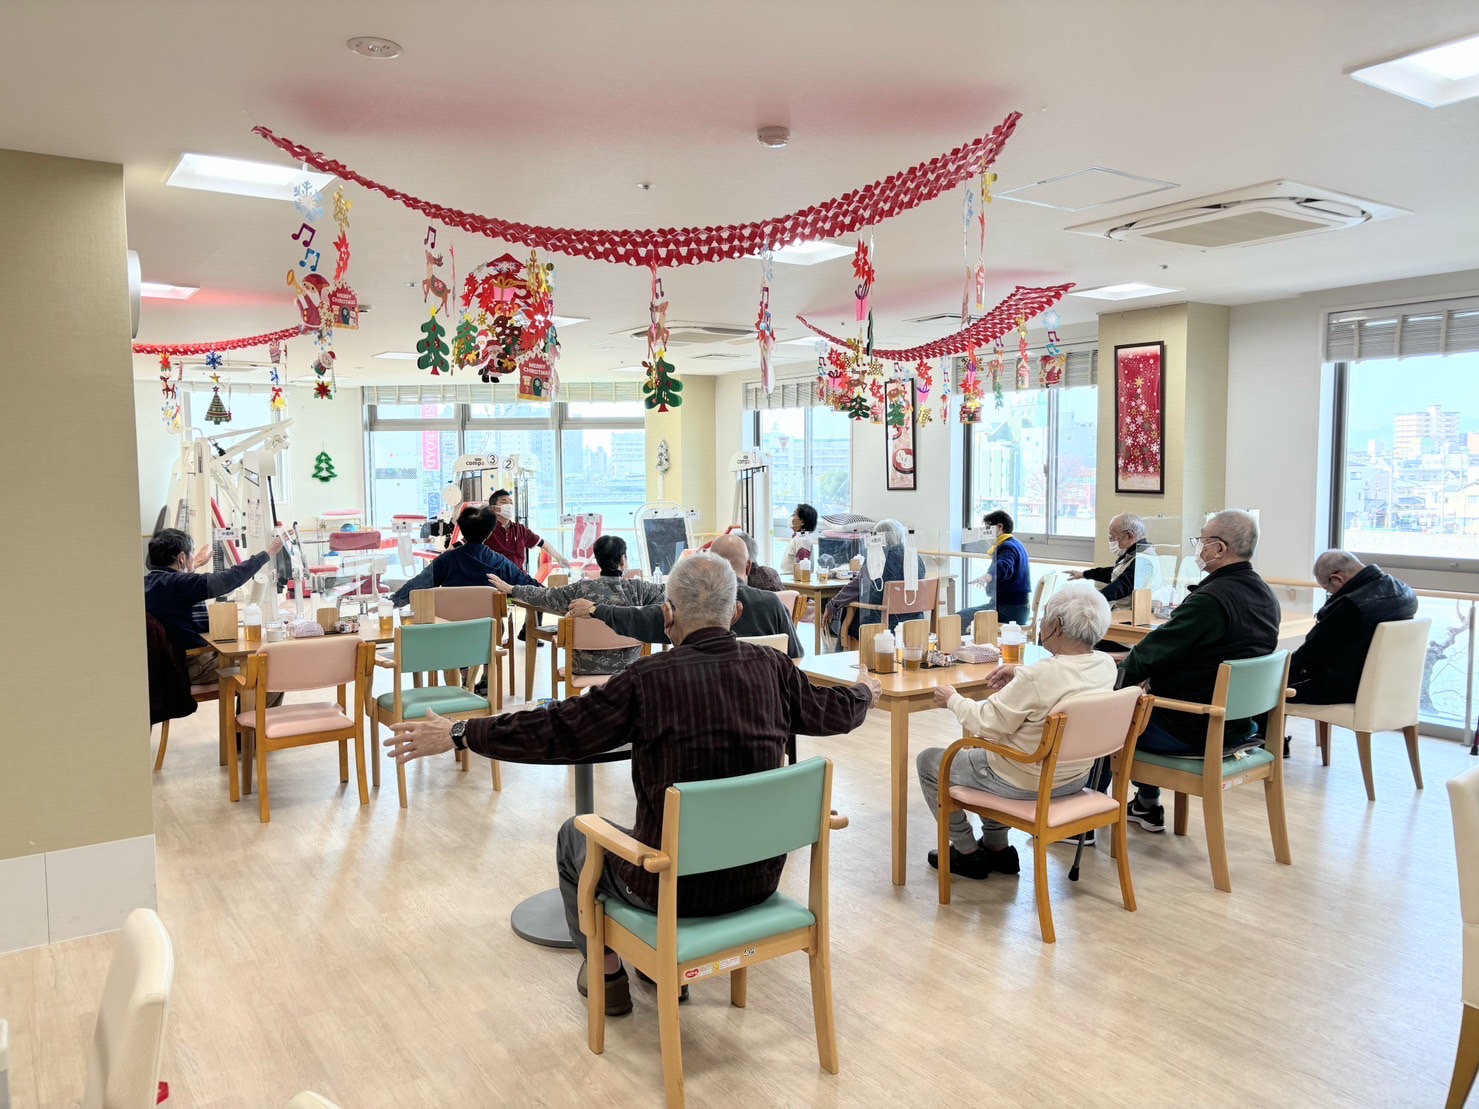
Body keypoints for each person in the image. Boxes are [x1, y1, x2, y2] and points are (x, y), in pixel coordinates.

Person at [385, 553, 880, 1015]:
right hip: (758, 881)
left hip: (670, 888)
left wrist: (461, 732)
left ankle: (608, 974)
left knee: (575, 834)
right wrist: (866, 690)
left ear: (667, 615)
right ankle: (656, 966)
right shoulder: (773, 669)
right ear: (736, 613)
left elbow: (556, 730)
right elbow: (834, 711)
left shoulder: (646, 680)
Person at [917, 585, 1118, 877]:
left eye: (1046, 616)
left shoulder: (1039, 677)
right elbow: (1060, 679)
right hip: (1074, 778)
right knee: (991, 751)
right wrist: (1022, 674)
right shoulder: (1105, 665)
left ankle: (966, 852)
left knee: (930, 761)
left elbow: (986, 721)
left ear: (1056, 625)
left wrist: (952, 699)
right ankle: (998, 849)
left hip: (1025, 780)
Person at [1118, 509, 1280, 833]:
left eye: (1202, 540)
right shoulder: (1266, 596)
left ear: (1219, 548)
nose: (1199, 548)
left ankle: (1082, 824)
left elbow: (1147, 656)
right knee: (1142, 701)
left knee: (1102, 718)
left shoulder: (1210, 601)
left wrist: (1110, 682)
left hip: (1190, 728)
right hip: (1238, 725)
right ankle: (1145, 806)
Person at [566, 534, 804, 658]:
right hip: (764, 708)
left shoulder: (691, 603)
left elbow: (636, 618)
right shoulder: (772, 604)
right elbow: (795, 656)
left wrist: (595, 609)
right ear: (749, 567)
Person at [487, 535, 667, 678]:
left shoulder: (580, 589)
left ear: (597, 560)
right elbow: (670, 593)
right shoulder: (640, 589)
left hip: (584, 667)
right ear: (623, 560)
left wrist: (512, 589)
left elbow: (543, 595)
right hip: (630, 666)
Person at [144, 527, 285, 686]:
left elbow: (177, 588)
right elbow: (229, 579)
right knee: (270, 672)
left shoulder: (148, 583)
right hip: (194, 663)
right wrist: (268, 553)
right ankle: (249, 703)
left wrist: (192, 566)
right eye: (191, 554)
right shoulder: (179, 584)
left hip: (166, 665)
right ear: (182, 558)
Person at [1289, 550, 1418, 705]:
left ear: (1337, 579)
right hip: (1389, 685)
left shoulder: (1351, 606)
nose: (1331, 595)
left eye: (1328, 590)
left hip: (1344, 687)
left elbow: (1312, 652)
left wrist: (1279, 672)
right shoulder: (1405, 591)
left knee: (1269, 689)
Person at [389, 506, 537, 607]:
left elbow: (417, 585)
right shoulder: (500, 562)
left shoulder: (446, 560)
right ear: (490, 532)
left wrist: (392, 602)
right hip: (489, 631)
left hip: (450, 627)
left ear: (462, 530)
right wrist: (549, 594)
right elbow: (530, 585)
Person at [821, 518, 924, 646]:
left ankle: (844, 655)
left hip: (882, 624)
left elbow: (855, 588)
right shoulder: (916, 559)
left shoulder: (878, 562)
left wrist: (831, 606)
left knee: (848, 614)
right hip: (914, 622)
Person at [955, 510, 1031, 630]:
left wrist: (988, 576)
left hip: (1007, 610)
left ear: (1000, 527)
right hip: (1019, 608)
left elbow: (1005, 565)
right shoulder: (1016, 544)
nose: (985, 534)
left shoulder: (1007, 547)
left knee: (958, 618)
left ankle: (969, 642)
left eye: (987, 529)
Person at [1068, 513, 1159, 609]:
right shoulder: (1135, 553)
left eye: (1113, 537)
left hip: (1130, 614)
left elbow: (1123, 584)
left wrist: (1093, 598)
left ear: (1129, 536)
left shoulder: (1144, 559)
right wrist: (1084, 574)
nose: (1111, 541)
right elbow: (1116, 573)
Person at [485, 489, 570, 574]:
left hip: (519, 576)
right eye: (504, 502)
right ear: (493, 508)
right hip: (495, 577)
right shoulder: (487, 529)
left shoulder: (520, 529)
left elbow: (542, 543)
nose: (509, 506)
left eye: (511, 503)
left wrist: (559, 557)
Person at [780, 504, 819, 574]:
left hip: (794, 578)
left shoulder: (802, 540)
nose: (791, 517)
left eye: (794, 514)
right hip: (791, 577)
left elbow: (803, 568)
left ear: (802, 522)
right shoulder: (799, 537)